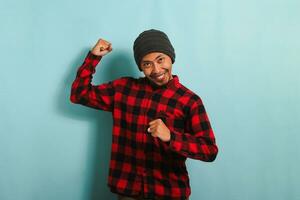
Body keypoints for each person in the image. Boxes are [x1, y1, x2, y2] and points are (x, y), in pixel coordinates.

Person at [70, 29, 218, 200]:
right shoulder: (123, 89)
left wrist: (171, 137)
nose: (156, 69)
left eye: (160, 60)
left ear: (171, 58)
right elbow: (79, 95)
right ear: (141, 67)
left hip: (168, 193)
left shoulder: (189, 101)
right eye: (147, 64)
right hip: (128, 192)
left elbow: (209, 150)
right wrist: (94, 57)